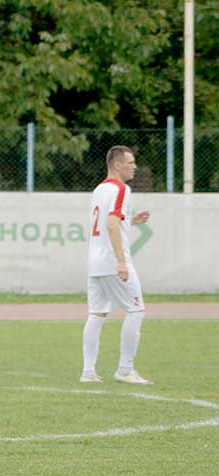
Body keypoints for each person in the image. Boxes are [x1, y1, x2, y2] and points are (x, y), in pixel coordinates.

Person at [81, 146, 152, 384]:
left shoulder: (99, 189)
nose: (134, 167)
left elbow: (109, 222)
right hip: (113, 261)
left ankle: (88, 372)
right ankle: (125, 370)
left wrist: (131, 221)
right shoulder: (121, 189)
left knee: (96, 313)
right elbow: (111, 224)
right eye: (130, 163)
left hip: (95, 262)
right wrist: (121, 262)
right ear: (117, 165)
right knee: (136, 310)